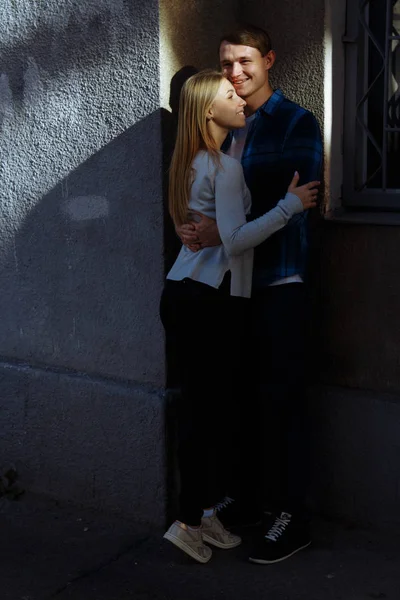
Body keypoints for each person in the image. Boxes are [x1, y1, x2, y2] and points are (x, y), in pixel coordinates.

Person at [177, 24, 323, 564]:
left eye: (245, 62)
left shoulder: (295, 121)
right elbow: (205, 194)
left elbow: (298, 198)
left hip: (278, 281)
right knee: (241, 400)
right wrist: (193, 228)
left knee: (283, 399)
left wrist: (225, 227)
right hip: (228, 288)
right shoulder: (222, 121)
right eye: (226, 63)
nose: (235, 73)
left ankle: (294, 515)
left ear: (269, 60)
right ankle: (252, 502)